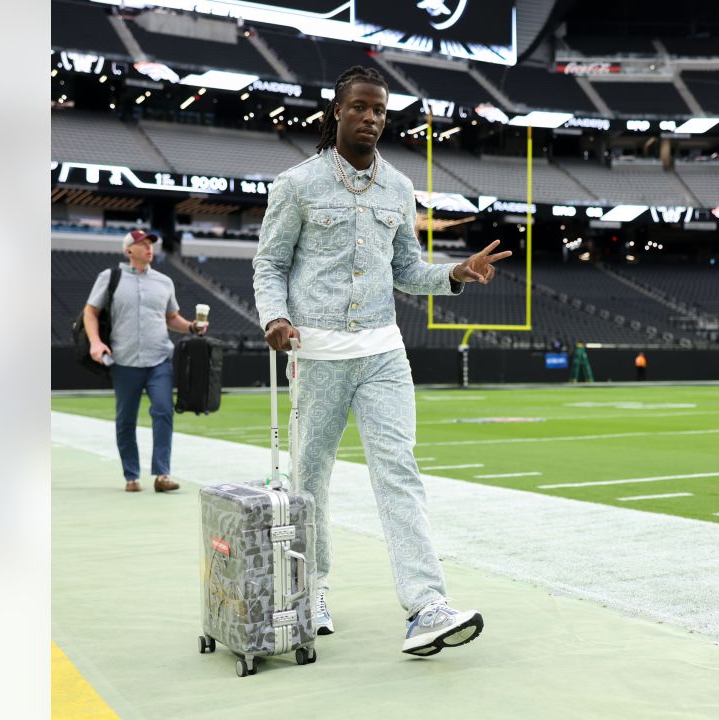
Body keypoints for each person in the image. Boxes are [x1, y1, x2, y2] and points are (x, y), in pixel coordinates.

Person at [253, 66, 509, 657]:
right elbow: (269, 265)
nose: (371, 118)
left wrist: (455, 273)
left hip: (383, 353)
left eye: (380, 111)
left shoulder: (399, 188)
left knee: (399, 470)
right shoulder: (296, 185)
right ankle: (310, 587)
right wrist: (275, 318)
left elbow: (407, 272)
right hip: (316, 354)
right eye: (360, 108)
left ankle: (426, 606)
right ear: (337, 112)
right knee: (310, 478)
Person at [84, 230, 210, 493]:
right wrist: (95, 342)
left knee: (163, 410)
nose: (149, 247)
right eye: (142, 244)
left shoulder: (164, 281)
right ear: (128, 250)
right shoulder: (110, 278)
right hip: (124, 361)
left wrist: (191, 327)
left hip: (159, 359)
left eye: (151, 243)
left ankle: (162, 474)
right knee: (125, 420)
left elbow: (171, 317)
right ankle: (131, 475)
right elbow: (91, 312)